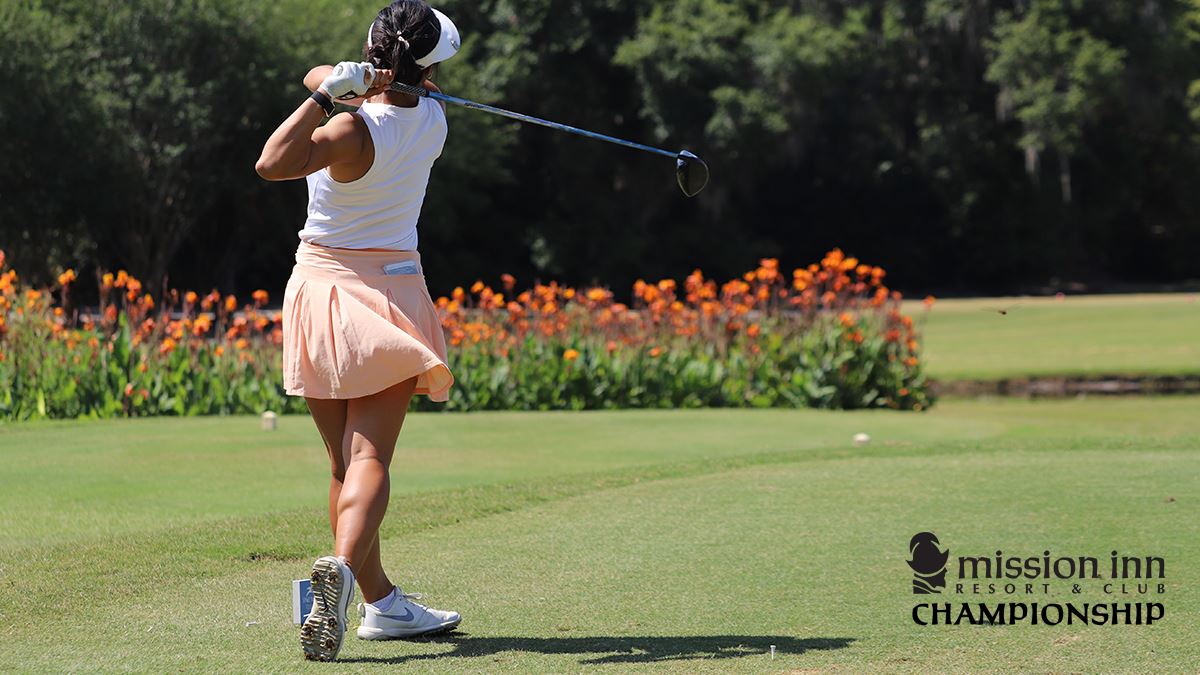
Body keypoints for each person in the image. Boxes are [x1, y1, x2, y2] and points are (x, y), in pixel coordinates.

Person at [255, 0, 463, 662]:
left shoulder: (346, 130)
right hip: (385, 291)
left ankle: (380, 601)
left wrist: (330, 93)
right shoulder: (432, 121)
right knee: (368, 460)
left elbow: (273, 160)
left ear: (373, 54)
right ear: (425, 72)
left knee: (346, 466)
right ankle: (347, 578)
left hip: (316, 288)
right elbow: (277, 153)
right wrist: (349, 85)